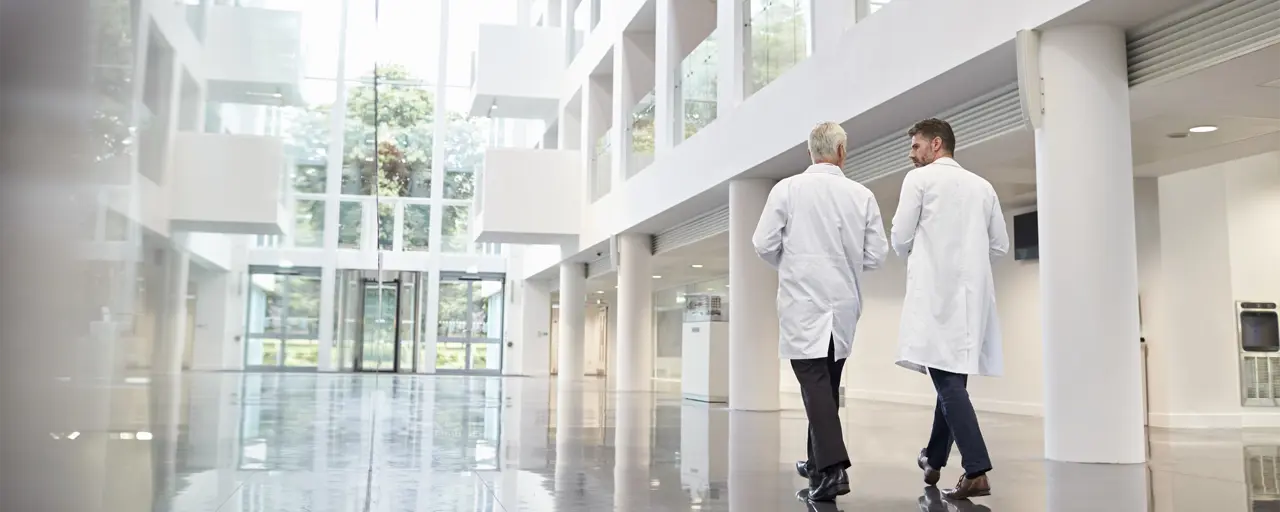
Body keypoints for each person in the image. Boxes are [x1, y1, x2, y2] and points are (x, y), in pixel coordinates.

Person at [753, 121, 889, 502]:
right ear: (842, 151)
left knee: (815, 388)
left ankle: (832, 469)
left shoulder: (788, 189)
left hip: (803, 304)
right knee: (825, 388)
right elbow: (876, 255)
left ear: (809, 152)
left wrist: (792, 262)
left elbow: (763, 244)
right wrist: (844, 261)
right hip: (842, 307)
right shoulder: (861, 195)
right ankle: (818, 468)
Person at [890, 118, 1008, 500]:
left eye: (915, 146)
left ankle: (976, 469)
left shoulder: (919, 181)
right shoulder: (983, 186)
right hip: (971, 300)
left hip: (935, 296)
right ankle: (934, 457)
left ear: (936, 144)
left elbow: (900, 237)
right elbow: (1000, 246)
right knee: (952, 382)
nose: (911, 154)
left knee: (947, 384)